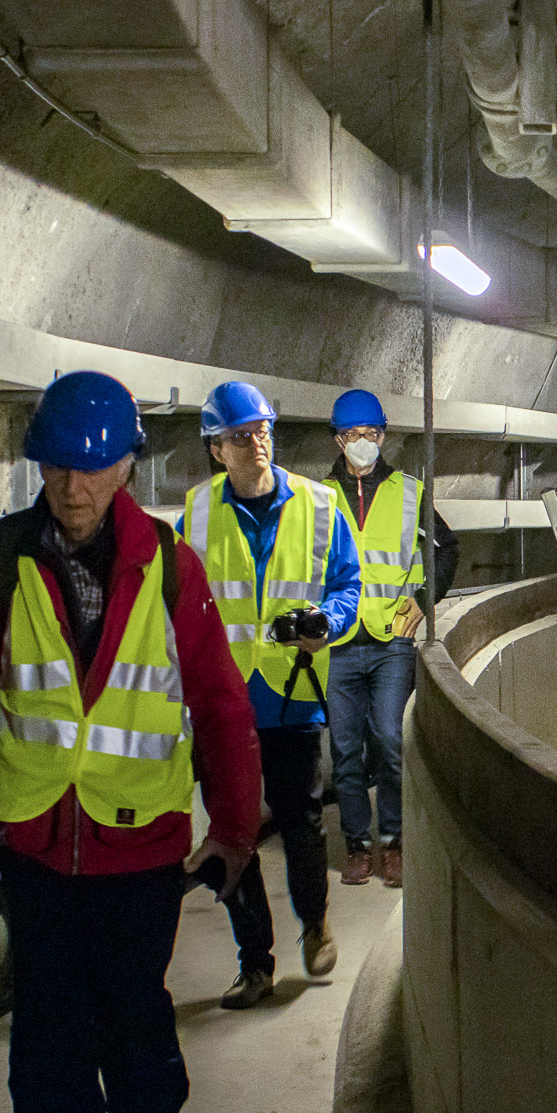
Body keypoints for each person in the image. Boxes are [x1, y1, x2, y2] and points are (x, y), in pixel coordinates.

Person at [0, 371, 262, 1113]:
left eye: (95, 467)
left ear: (126, 467)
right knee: (47, 1045)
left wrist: (232, 825)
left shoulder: (172, 564)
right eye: (58, 466)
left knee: (134, 1027)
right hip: (35, 844)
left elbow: (222, 705)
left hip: (139, 843)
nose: (74, 487)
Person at [180, 380, 361, 1009]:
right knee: (232, 835)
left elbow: (347, 583)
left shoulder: (319, 503)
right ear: (216, 450)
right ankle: (253, 963)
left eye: (261, 431)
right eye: (239, 436)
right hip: (225, 702)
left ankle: (315, 924)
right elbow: (183, 605)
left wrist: (327, 624)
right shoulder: (197, 514)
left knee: (301, 823)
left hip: (291, 691)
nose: (255, 443)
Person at [322, 389, 459, 888]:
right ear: (339, 439)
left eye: (373, 434)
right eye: (354, 435)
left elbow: (447, 549)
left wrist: (425, 600)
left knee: (389, 740)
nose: (364, 443)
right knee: (344, 748)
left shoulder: (408, 490)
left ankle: (394, 842)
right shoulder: (318, 497)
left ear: (384, 436)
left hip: (391, 641)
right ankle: (357, 845)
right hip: (337, 643)